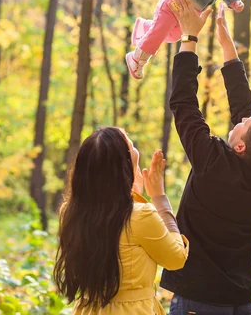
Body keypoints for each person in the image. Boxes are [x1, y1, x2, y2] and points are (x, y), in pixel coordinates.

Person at [159, 0, 251, 314]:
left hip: (200, 301)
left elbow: (184, 106)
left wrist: (190, 36)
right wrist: (226, 46)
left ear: (241, 146)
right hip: (240, 300)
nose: (246, 116)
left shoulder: (213, 164)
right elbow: (242, 109)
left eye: (250, 122)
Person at [53, 127, 189, 314]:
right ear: (124, 163)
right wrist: (159, 198)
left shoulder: (70, 212)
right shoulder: (141, 215)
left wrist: (132, 194)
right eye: (131, 145)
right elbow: (176, 259)